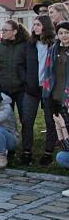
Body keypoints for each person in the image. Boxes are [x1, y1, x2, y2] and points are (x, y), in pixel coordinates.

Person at [0, 20, 29, 159]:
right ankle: (9, 147)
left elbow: (28, 65)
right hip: (4, 88)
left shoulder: (24, 46)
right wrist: (0, 81)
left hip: (21, 89)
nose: (2, 32)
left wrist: (24, 81)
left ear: (14, 31)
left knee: (25, 119)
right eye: (2, 30)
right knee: (6, 119)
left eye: (5, 30)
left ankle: (26, 150)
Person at [24, 15, 56, 165]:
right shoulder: (30, 45)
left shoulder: (54, 45)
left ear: (45, 26)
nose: (35, 27)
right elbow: (22, 65)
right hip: (31, 87)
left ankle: (48, 152)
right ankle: (26, 151)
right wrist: (25, 80)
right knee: (27, 120)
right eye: (34, 25)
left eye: (38, 24)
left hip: (49, 88)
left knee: (50, 121)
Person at [44, 21, 69, 165]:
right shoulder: (53, 50)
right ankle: (64, 151)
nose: (64, 35)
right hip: (56, 92)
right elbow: (48, 71)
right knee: (57, 123)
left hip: (68, 94)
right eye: (61, 33)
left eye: (66, 32)